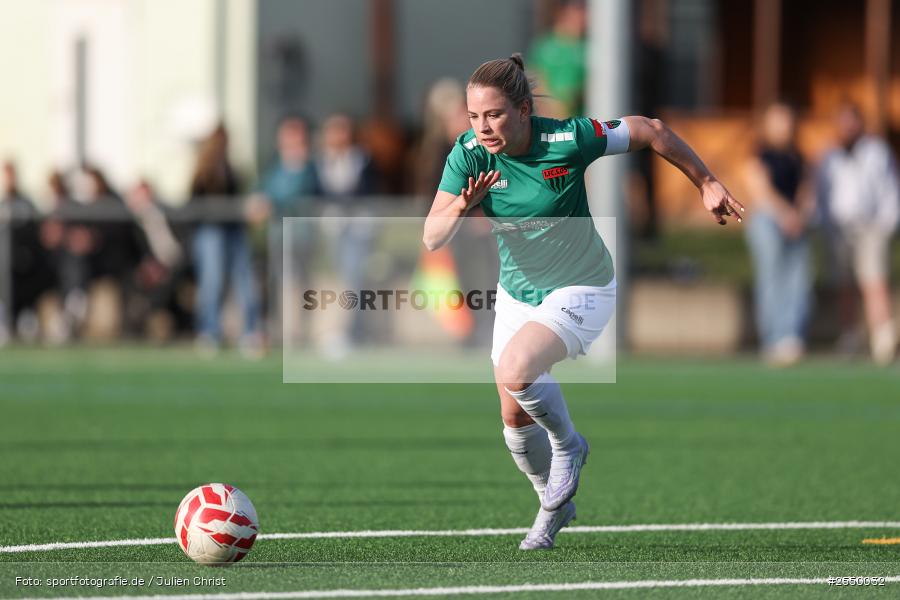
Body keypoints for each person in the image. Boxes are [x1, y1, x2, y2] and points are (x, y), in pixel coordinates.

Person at [422, 54, 743, 550]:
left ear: (524, 110)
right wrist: (463, 203)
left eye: (494, 115)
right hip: (517, 294)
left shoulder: (567, 138)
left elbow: (652, 130)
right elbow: (431, 236)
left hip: (582, 286)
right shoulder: (468, 154)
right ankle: (551, 508)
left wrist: (705, 182)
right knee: (513, 418)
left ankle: (569, 446)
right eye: (474, 116)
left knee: (517, 370)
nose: (482, 127)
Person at [817, 102, 899, 365]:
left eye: (851, 121)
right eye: (842, 122)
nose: (847, 127)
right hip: (839, 230)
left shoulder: (878, 152)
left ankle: (883, 337)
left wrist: (887, 224)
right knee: (844, 284)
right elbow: (822, 195)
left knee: (874, 282)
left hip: (872, 227)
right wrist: (825, 225)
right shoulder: (829, 156)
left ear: (860, 123)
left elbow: (890, 189)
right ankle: (850, 336)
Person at [744, 103, 814, 366]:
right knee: (771, 276)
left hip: (795, 221)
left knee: (798, 278)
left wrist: (799, 214)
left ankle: (792, 335)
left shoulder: (798, 156)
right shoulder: (759, 154)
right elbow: (760, 190)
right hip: (768, 220)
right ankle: (773, 337)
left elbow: (807, 187)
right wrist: (785, 214)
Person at [189, 124, 262, 356]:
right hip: (212, 231)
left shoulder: (233, 169)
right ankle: (209, 331)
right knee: (212, 282)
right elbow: (196, 199)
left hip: (234, 231)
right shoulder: (204, 169)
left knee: (245, 282)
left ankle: (250, 331)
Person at [528, 0, 587, 119]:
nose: (585, 15)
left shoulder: (588, 47)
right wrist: (548, 106)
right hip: (553, 118)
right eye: (579, 9)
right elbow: (535, 77)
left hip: (583, 118)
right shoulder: (546, 46)